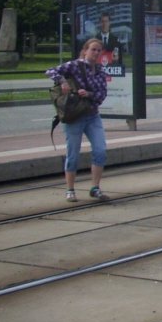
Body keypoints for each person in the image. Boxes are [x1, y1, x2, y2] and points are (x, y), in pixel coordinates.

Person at [46, 38, 110, 202]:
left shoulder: (101, 71)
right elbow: (51, 71)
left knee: (100, 149)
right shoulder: (75, 65)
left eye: (98, 50)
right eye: (93, 49)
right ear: (85, 50)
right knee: (73, 153)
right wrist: (63, 81)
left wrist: (88, 94)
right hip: (75, 116)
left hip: (92, 115)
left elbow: (102, 95)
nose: (96, 53)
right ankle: (70, 189)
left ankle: (95, 187)